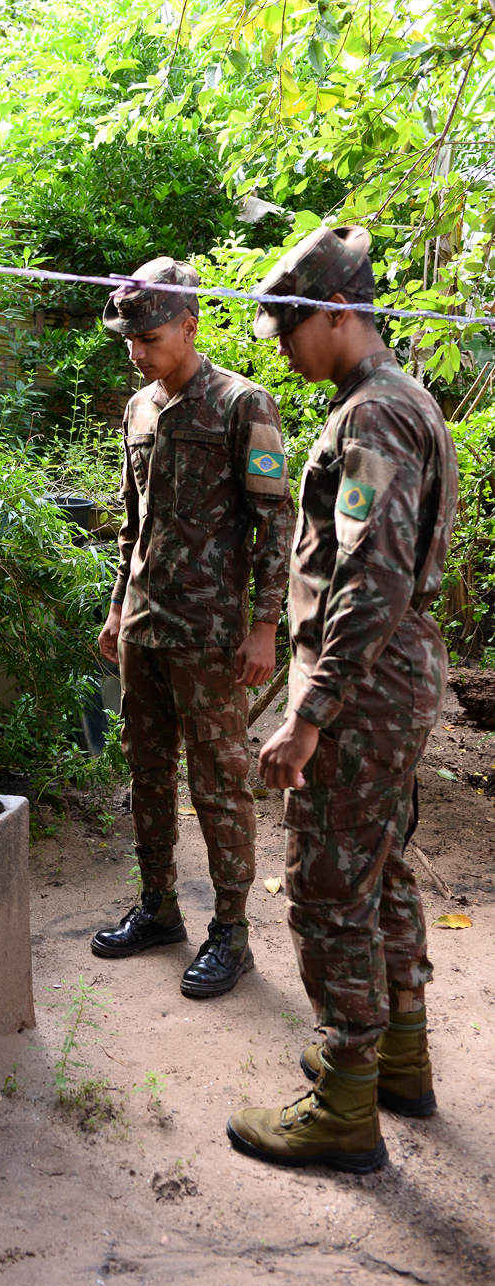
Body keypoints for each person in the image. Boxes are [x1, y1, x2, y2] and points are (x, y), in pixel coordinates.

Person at [227, 225, 459, 1172]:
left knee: (328, 888)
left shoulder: (372, 418)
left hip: (362, 689)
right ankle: (398, 1058)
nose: (282, 347)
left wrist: (307, 715)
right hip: (387, 679)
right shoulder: (401, 400)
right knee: (380, 869)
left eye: (289, 328)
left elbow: (372, 580)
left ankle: (344, 1105)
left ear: (334, 312)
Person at [91, 257, 296, 998]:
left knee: (219, 783)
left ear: (189, 325)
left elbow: (276, 523)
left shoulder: (244, 405)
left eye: (148, 337)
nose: (137, 352)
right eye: (128, 340)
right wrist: (118, 604)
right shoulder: (139, 410)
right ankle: (158, 907)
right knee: (146, 771)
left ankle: (232, 934)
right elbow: (133, 521)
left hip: (211, 635)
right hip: (144, 626)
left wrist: (265, 625)